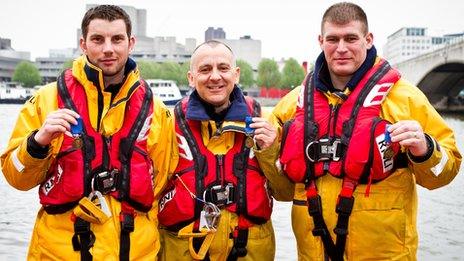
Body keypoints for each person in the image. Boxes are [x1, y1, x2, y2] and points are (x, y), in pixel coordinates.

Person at [272, 2, 462, 260]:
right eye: (333, 39)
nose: (341, 48)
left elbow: (444, 172)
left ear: (368, 39)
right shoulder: (293, 104)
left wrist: (426, 149)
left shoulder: (406, 99)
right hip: (313, 253)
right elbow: (277, 186)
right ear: (321, 41)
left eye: (351, 38)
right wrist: (266, 147)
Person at [1, 5, 176, 260]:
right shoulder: (45, 100)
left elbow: (161, 182)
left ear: (131, 43)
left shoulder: (156, 111)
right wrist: (38, 142)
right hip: (58, 252)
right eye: (97, 39)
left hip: (135, 252)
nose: (108, 48)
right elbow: (15, 177)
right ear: (83, 44)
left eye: (117, 39)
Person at [157, 40, 291, 261]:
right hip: (185, 250)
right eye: (205, 69)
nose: (215, 77)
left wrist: (269, 151)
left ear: (236, 74)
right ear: (191, 78)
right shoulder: (169, 126)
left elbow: (286, 193)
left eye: (223, 68)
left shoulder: (263, 123)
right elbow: (151, 194)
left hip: (249, 250)